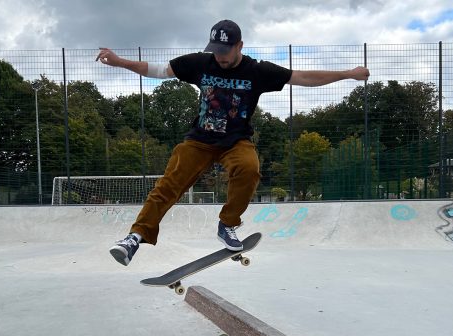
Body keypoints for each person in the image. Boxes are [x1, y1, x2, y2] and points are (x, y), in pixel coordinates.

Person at [97, 20, 370, 266]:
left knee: (249, 169)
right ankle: (135, 237)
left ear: (239, 45)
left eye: (225, 51)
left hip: (235, 141)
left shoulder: (258, 71)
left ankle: (227, 224)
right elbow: (157, 70)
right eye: (216, 50)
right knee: (168, 185)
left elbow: (303, 77)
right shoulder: (200, 63)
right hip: (199, 141)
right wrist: (120, 61)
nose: (220, 57)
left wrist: (347, 73)